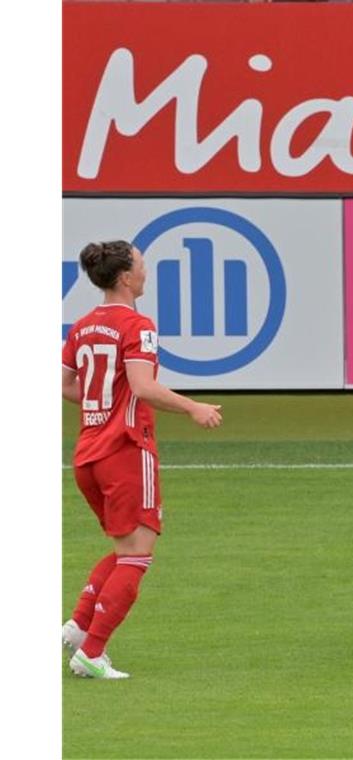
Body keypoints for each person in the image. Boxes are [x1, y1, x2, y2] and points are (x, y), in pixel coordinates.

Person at [61, 240, 223, 679]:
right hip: (126, 451)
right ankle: (92, 652)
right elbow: (144, 386)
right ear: (126, 277)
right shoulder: (138, 325)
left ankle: (78, 625)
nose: (146, 271)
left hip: (87, 456)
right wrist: (194, 407)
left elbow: (66, 385)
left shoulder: (82, 325)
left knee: (123, 548)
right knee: (137, 556)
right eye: (141, 265)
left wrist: (102, 404)